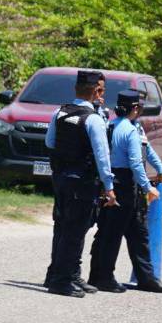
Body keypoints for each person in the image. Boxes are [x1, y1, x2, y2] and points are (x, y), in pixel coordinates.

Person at [88, 89, 162, 294]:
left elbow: (146, 149)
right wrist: (148, 187)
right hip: (124, 184)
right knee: (111, 234)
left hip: (116, 183)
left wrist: (160, 168)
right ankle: (103, 277)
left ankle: (146, 278)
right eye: (140, 107)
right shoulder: (128, 130)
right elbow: (135, 163)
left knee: (138, 233)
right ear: (135, 108)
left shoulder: (118, 125)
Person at [42, 70, 117, 298]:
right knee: (75, 231)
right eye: (101, 91)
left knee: (62, 226)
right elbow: (102, 157)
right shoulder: (93, 119)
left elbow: (50, 143)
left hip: (61, 178)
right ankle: (61, 281)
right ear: (96, 91)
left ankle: (64, 274)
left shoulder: (59, 112)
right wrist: (109, 187)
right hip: (82, 182)